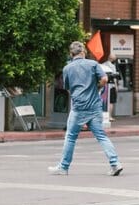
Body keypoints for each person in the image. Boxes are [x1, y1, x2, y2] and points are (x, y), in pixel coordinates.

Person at [49, 41, 122, 176]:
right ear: (84, 52)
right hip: (94, 106)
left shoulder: (67, 68)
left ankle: (63, 167)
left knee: (71, 137)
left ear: (71, 54)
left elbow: (67, 87)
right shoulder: (93, 64)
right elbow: (105, 79)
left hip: (78, 107)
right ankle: (115, 163)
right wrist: (97, 87)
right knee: (101, 136)